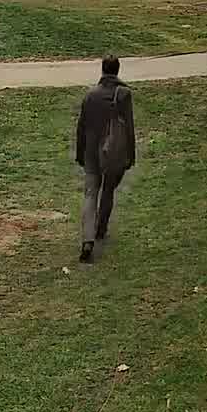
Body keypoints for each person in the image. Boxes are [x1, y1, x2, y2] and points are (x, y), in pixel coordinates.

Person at [74, 55, 136, 262]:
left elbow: (81, 127)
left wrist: (79, 152)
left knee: (90, 193)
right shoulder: (124, 94)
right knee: (108, 189)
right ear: (117, 70)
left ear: (102, 70)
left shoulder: (90, 95)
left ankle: (87, 239)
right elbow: (129, 127)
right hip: (114, 152)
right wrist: (131, 154)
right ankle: (101, 228)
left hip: (91, 150)